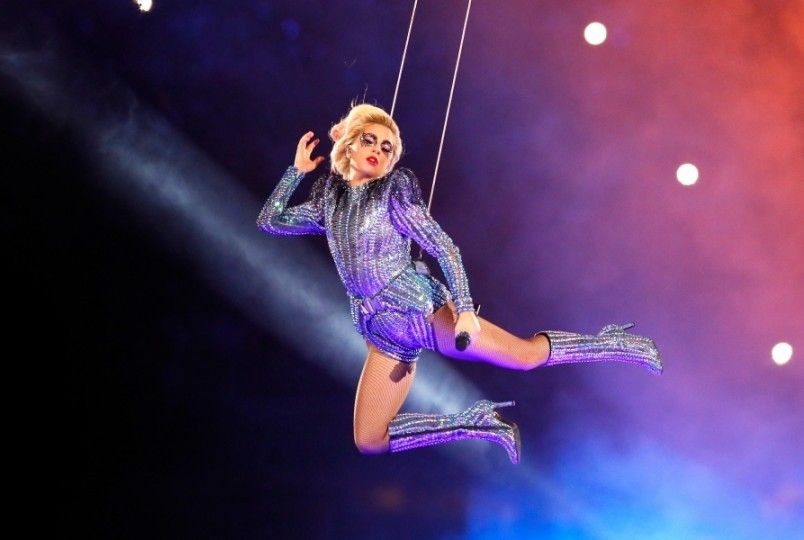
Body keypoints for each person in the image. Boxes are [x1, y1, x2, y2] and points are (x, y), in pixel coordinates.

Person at [257, 103, 662, 464]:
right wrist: (296, 172)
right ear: (347, 144)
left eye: (387, 148)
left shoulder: (393, 194)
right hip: (382, 332)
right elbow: (270, 221)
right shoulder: (331, 200)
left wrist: (465, 311)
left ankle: (617, 343)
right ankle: (477, 423)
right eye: (370, 140)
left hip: (421, 312)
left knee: (525, 356)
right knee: (370, 439)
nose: (379, 151)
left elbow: (444, 248)